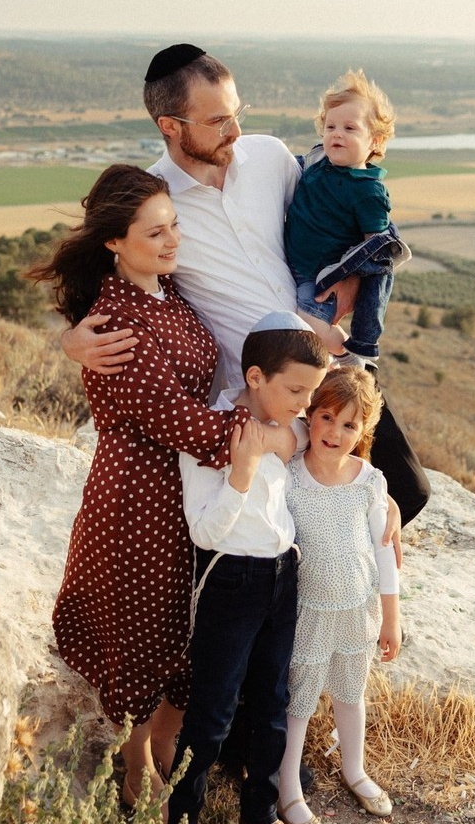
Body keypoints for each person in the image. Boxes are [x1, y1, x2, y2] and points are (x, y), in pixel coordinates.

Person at [62, 44, 431, 528]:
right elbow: (102, 272)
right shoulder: (153, 201)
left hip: (331, 368)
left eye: (237, 113)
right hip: (258, 399)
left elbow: (343, 216)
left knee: (406, 492)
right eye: (217, 121)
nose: (235, 130)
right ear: (169, 126)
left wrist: (354, 285)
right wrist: (71, 341)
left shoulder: (269, 156)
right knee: (295, 530)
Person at [26, 165, 297, 806]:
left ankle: (167, 747)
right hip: (139, 495)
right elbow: (180, 421)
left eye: (174, 224)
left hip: (186, 489)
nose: (174, 239)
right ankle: (135, 758)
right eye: (156, 232)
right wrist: (277, 435)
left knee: (184, 624)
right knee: (143, 627)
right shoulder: (117, 324)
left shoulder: (167, 292)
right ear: (115, 243)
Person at [168, 312, 331, 824]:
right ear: (255, 378)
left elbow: (304, 434)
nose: (306, 405)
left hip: (284, 574)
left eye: (312, 392)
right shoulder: (210, 433)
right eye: (298, 391)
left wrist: (287, 434)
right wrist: (240, 476)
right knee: (212, 712)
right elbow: (204, 532)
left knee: (271, 705)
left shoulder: (285, 425)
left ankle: (259, 811)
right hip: (230, 578)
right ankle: (184, 811)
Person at [277, 370, 401, 824]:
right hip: (308, 612)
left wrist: (391, 617)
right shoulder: (290, 478)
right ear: (309, 415)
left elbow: (384, 550)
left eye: (349, 425)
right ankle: (288, 787)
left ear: (363, 432)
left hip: (356, 609)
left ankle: (355, 768)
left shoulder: (369, 481)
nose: (334, 431)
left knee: (352, 692)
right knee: (300, 700)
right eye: (326, 417)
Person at [285, 69, 409, 368]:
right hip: (293, 264)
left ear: (375, 141)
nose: (336, 134)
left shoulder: (368, 191)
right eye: (330, 127)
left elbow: (377, 254)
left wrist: (365, 325)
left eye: (350, 128)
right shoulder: (318, 161)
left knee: (303, 322)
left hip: (320, 278)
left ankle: (351, 359)